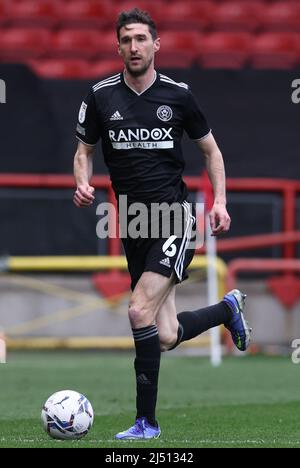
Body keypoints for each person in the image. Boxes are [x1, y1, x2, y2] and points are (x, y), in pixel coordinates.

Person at [73, 8, 252, 440]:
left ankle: (146, 422)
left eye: (140, 39)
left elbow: (212, 152)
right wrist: (82, 182)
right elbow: (84, 150)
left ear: (156, 44)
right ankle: (226, 309)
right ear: (118, 46)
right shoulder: (100, 97)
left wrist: (220, 202)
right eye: (126, 40)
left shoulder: (179, 96)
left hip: (174, 219)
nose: (133, 46)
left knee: (137, 311)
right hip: (133, 225)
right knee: (166, 334)